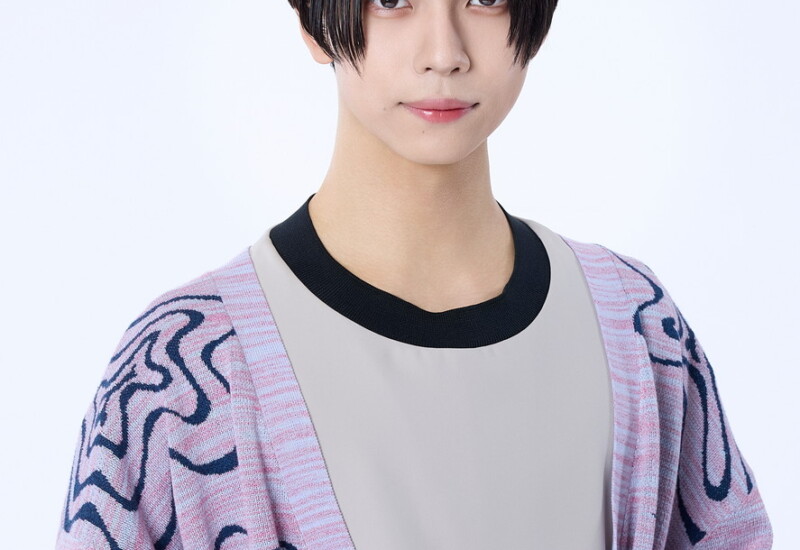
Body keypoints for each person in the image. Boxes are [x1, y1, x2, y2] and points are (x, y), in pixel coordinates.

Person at [56, 1, 773, 549]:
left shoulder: (637, 327)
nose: (444, 53)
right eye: (393, 0)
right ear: (310, 21)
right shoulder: (181, 371)